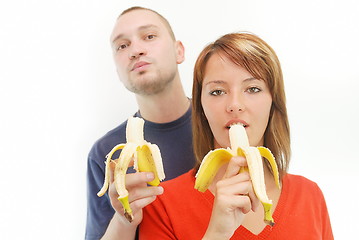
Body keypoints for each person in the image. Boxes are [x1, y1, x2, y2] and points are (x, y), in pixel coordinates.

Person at [139, 32, 334, 239]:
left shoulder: (310, 195)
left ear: (273, 104)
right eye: (217, 92)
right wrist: (217, 232)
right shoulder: (161, 205)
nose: (234, 105)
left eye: (252, 88)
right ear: (201, 107)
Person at [85, 6, 196, 240]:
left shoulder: (222, 123)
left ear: (179, 52)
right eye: (122, 46)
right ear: (117, 71)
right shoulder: (105, 154)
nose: (135, 50)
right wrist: (124, 219)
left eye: (149, 36)